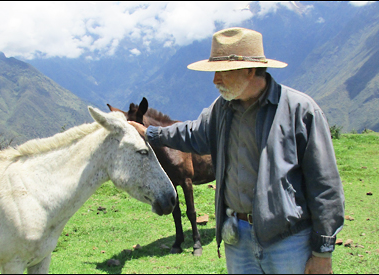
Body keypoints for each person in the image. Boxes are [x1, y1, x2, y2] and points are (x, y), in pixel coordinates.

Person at [128, 27, 345, 274]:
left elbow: (325, 185)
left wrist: (322, 253)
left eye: (221, 72)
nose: (214, 80)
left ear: (250, 71)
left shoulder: (300, 111)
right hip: (237, 239)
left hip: (288, 241)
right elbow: (193, 133)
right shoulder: (222, 110)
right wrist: (150, 133)